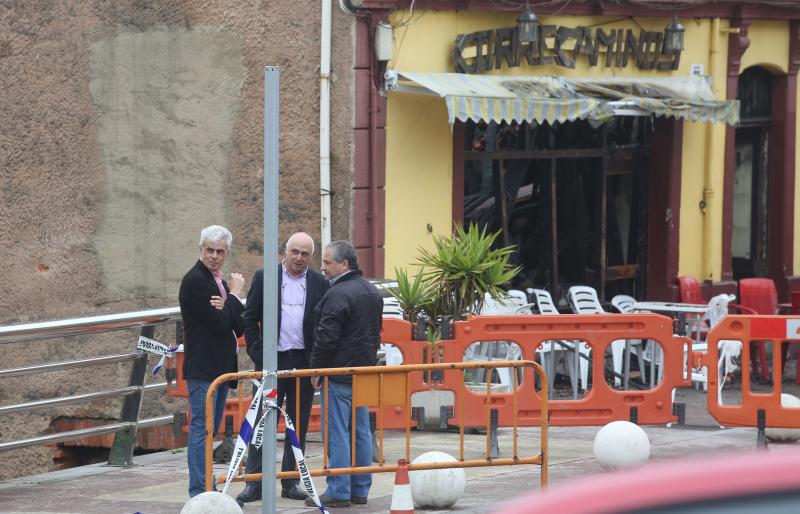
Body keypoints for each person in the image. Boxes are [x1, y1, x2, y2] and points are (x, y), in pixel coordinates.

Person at [237, 232, 330, 503]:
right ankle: (254, 482)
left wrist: (317, 365)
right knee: (261, 422)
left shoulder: (318, 282)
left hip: (302, 361)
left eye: (305, 254)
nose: (299, 258)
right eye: (295, 252)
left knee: (297, 422)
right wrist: (257, 351)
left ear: (311, 257)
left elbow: (323, 323)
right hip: (271, 361)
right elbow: (250, 317)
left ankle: (290, 481)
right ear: (285, 252)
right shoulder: (265, 276)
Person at [306, 240, 383, 508]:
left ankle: (338, 490)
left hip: (338, 374)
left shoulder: (337, 293)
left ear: (344, 264)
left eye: (327, 262)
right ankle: (360, 488)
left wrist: (316, 368)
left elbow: (326, 337)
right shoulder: (372, 291)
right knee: (361, 432)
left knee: (337, 432)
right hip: (363, 373)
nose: (322, 267)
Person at [179, 225, 245, 497]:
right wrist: (236, 297)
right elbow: (219, 324)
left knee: (211, 430)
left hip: (220, 369)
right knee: (201, 430)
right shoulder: (195, 280)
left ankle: (208, 485)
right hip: (204, 367)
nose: (214, 256)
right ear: (200, 250)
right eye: (210, 250)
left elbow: (238, 327)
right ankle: (199, 489)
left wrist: (227, 304)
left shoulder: (218, 282)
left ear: (226, 253)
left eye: (220, 251)